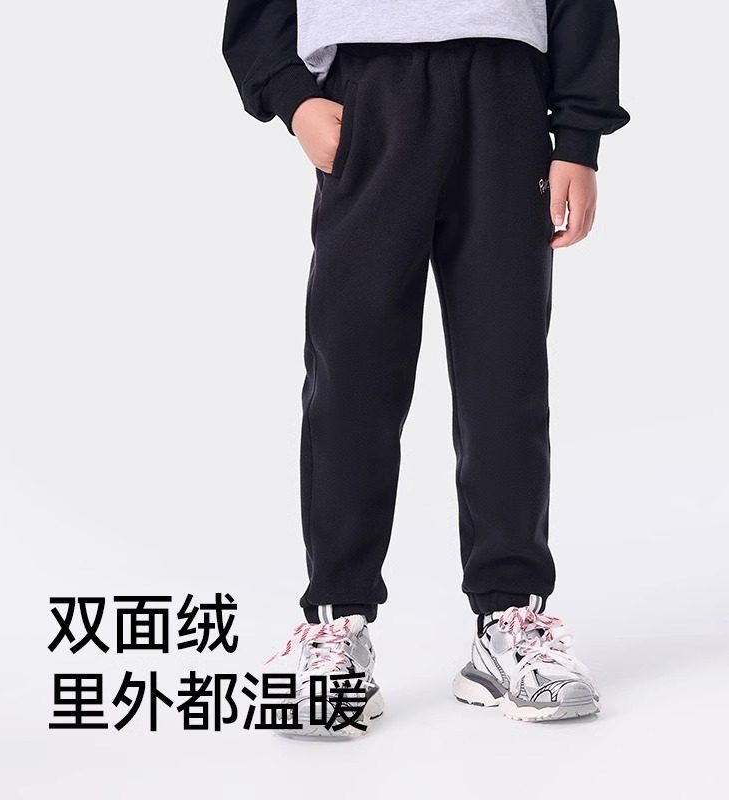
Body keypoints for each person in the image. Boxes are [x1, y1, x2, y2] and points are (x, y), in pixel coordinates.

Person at [223, 0, 630, 735]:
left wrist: (579, 133)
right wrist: (291, 92)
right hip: (366, 91)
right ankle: (335, 622)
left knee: (505, 373)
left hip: (506, 89)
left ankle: (510, 617)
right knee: (352, 374)